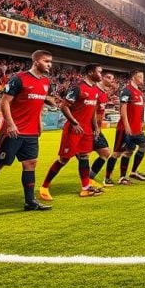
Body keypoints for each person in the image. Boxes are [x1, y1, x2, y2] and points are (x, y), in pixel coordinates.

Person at [0, 50, 60, 218]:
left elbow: (39, 104)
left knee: (31, 164)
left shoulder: (46, 82)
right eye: (46, 61)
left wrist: (39, 123)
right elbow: (4, 102)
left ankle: (30, 201)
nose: (50, 64)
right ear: (36, 62)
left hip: (31, 132)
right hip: (14, 131)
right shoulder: (19, 78)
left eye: (50, 61)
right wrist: (10, 124)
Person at [39, 64, 105, 200]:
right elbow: (64, 106)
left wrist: (95, 127)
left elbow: (92, 110)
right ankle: (44, 187)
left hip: (86, 129)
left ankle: (85, 189)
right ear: (91, 72)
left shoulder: (96, 90)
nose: (101, 75)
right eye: (99, 72)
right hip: (73, 129)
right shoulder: (77, 87)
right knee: (64, 159)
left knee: (85, 157)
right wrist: (74, 122)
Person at [113, 70, 145, 185]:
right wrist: (126, 124)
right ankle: (122, 177)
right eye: (140, 76)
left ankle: (133, 172)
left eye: (143, 76)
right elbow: (123, 107)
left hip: (137, 127)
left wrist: (142, 121)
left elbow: (140, 108)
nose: (142, 79)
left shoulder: (139, 92)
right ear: (133, 77)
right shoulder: (127, 90)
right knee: (126, 152)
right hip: (128, 128)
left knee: (144, 145)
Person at [86, 71, 116, 186]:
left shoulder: (104, 94)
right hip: (88, 128)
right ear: (102, 78)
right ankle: (87, 181)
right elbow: (91, 111)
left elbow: (100, 112)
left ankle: (89, 178)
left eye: (112, 79)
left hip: (97, 129)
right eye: (108, 77)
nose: (111, 81)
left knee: (105, 152)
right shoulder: (95, 91)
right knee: (81, 155)